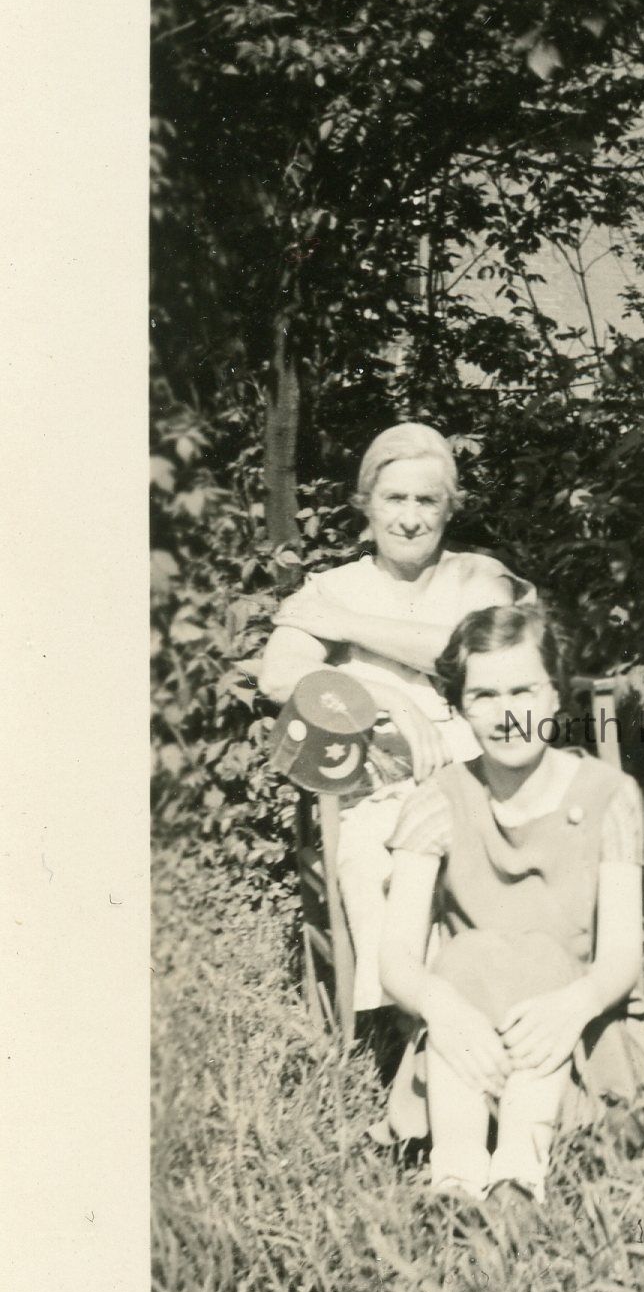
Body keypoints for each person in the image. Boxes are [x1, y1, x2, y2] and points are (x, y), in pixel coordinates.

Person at [378, 601, 644, 1210]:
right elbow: (395, 959)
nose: (508, 715)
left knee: (539, 954)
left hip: (577, 1037)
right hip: (469, 1042)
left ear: (555, 695)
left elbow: (620, 959)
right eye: (485, 695)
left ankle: (517, 1178)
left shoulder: (609, 796)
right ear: (460, 705)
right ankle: (456, 1179)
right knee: (468, 954)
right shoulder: (438, 800)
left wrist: (572, 1004)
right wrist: (443, 1007)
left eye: (523, 690)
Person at [257, 423, 522, 1029]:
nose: (408, 518)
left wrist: (348, 627)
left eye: (426, 500)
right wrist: (387, 698)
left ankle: (460, 1020)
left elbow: (478, 654)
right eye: (394, 498)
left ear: (449, 509)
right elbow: (278, 675)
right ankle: (420, 1024)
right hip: (375, 777)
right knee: (375, 860)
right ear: (366, 505)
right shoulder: (335, 586)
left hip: (476, 769)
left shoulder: (478, 577)